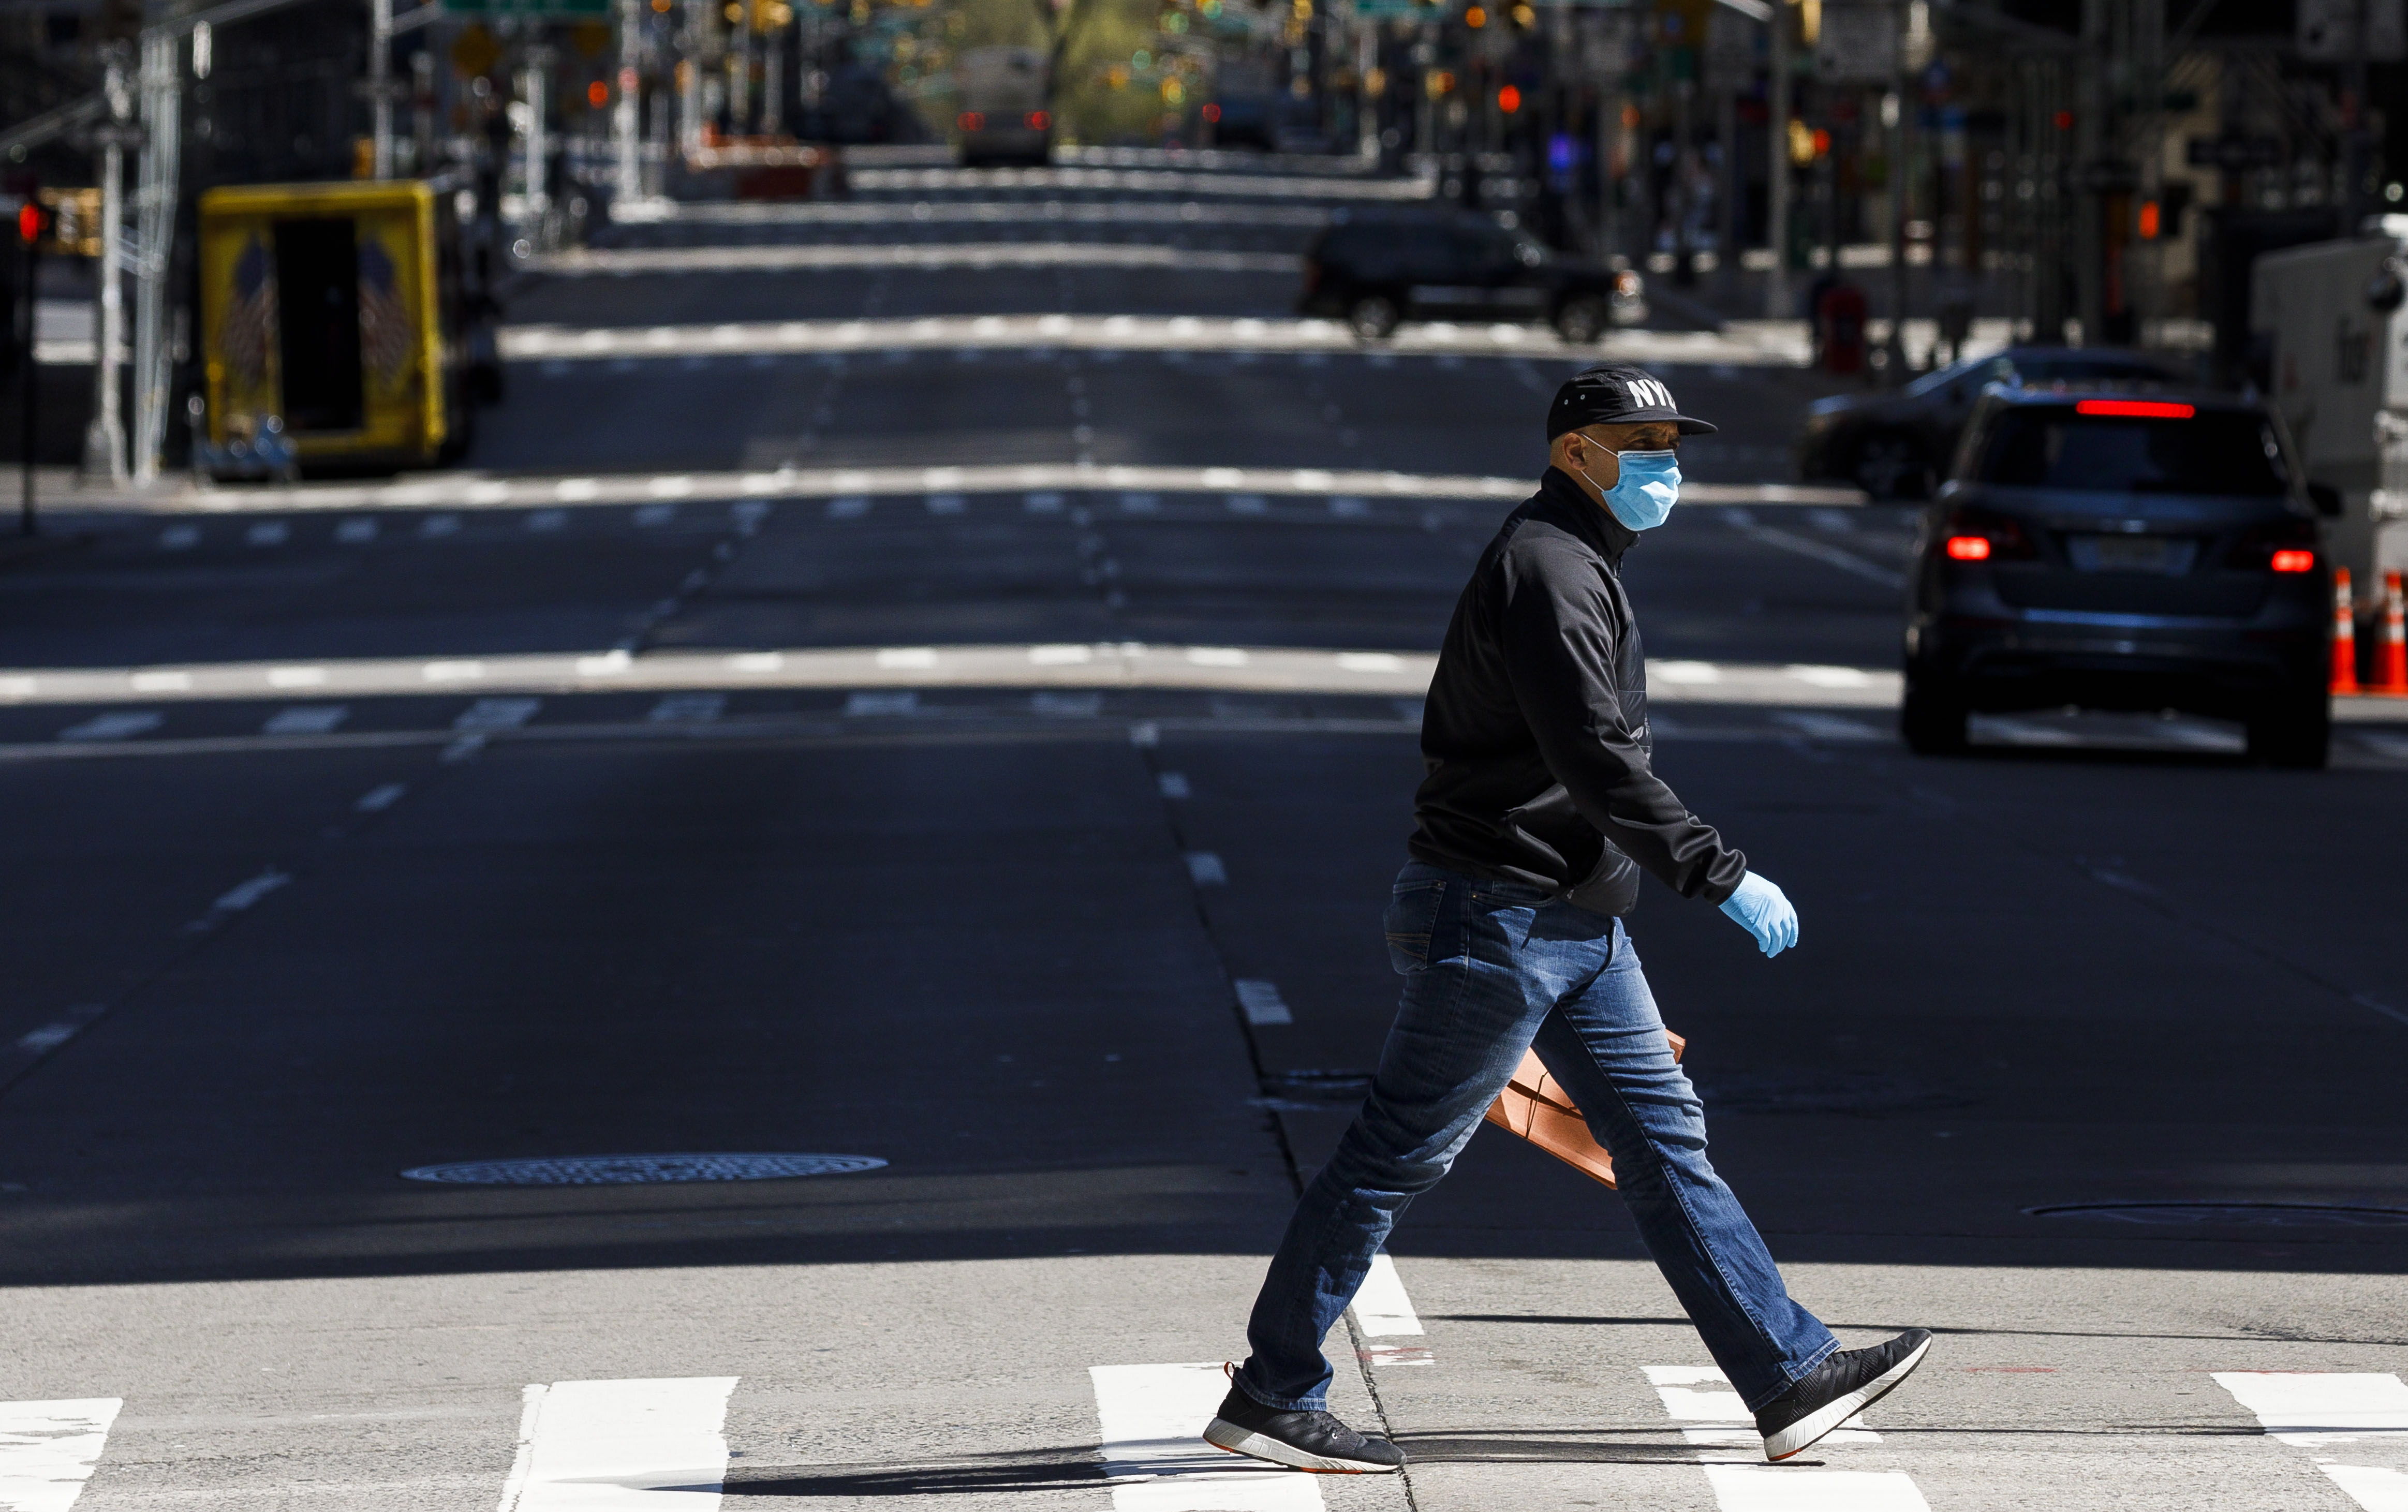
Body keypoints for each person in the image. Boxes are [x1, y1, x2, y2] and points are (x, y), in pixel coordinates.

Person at [1203, 363, 1930, 1474]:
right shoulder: (1543, 568)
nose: (1664, 467)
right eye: (1639, 447)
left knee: (1659, 1141)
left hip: (1573, 922)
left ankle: (1784, 1375)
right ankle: (1274, 1387)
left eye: (1671, 447)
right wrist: (1718, 874)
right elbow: (1589, 756)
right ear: (1571, 453)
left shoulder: (1579, 562)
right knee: (1394, 1153)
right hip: (1493, 917)